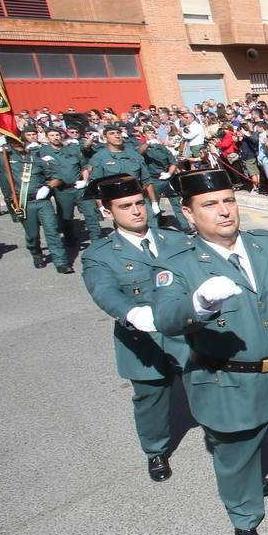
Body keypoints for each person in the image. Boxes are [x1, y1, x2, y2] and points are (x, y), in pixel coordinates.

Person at [149, 169, 268, 535]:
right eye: (210, 204)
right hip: (226, 382)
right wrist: (196, 305)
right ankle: (245, 518)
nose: (224, 211)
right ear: (188, 213)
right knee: (237, 460)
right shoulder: (178, 263)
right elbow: (165, 319)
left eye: (228, 200)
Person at [78, 174, 193, 480]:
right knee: (150, 398)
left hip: (185, 334)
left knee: (209, 392)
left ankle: (235, 452)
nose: (136, 211)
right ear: (108, 211)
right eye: (125, 206)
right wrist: (131, 314)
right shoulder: (99, 255)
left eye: (139, 203)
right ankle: (155, 450)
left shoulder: (176, 239)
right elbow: (104, 292)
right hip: (141, 338)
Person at [0, 134, 74, 274]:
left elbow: (57, 177)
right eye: (13, 142)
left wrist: (48, 187)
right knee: (32, 235)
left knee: (52, 230)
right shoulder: (3, 158)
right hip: (23, 202)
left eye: (20, 141)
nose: (18, 144)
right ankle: (36, 253)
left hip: (42, 200)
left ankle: (61, 262)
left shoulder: (37, 160)